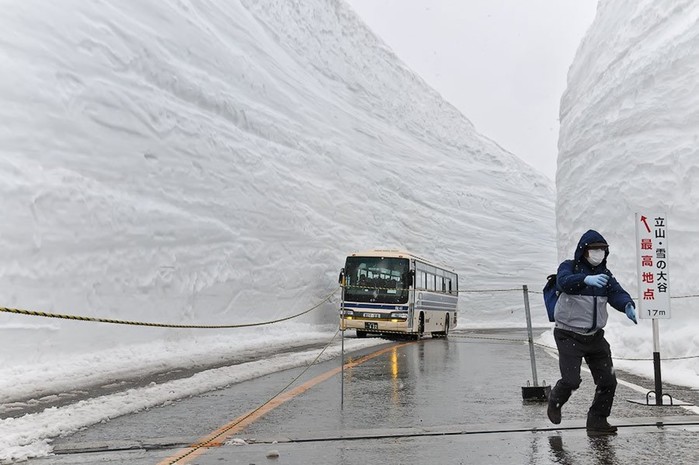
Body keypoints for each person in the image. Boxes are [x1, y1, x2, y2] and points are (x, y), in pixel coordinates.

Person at [547, 229, 638, 434]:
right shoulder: (568, 267)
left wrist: (627, 305)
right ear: (584, 250)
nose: (599, 253)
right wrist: (585, 279)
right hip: (568, 333)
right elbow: (564, 282)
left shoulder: (605, 274)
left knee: (608, 381)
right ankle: (555, 400)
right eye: (595, 249)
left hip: (595, 336)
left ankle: (597, 420)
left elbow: (617, 292)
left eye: (603, 250)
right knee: (571, 380)